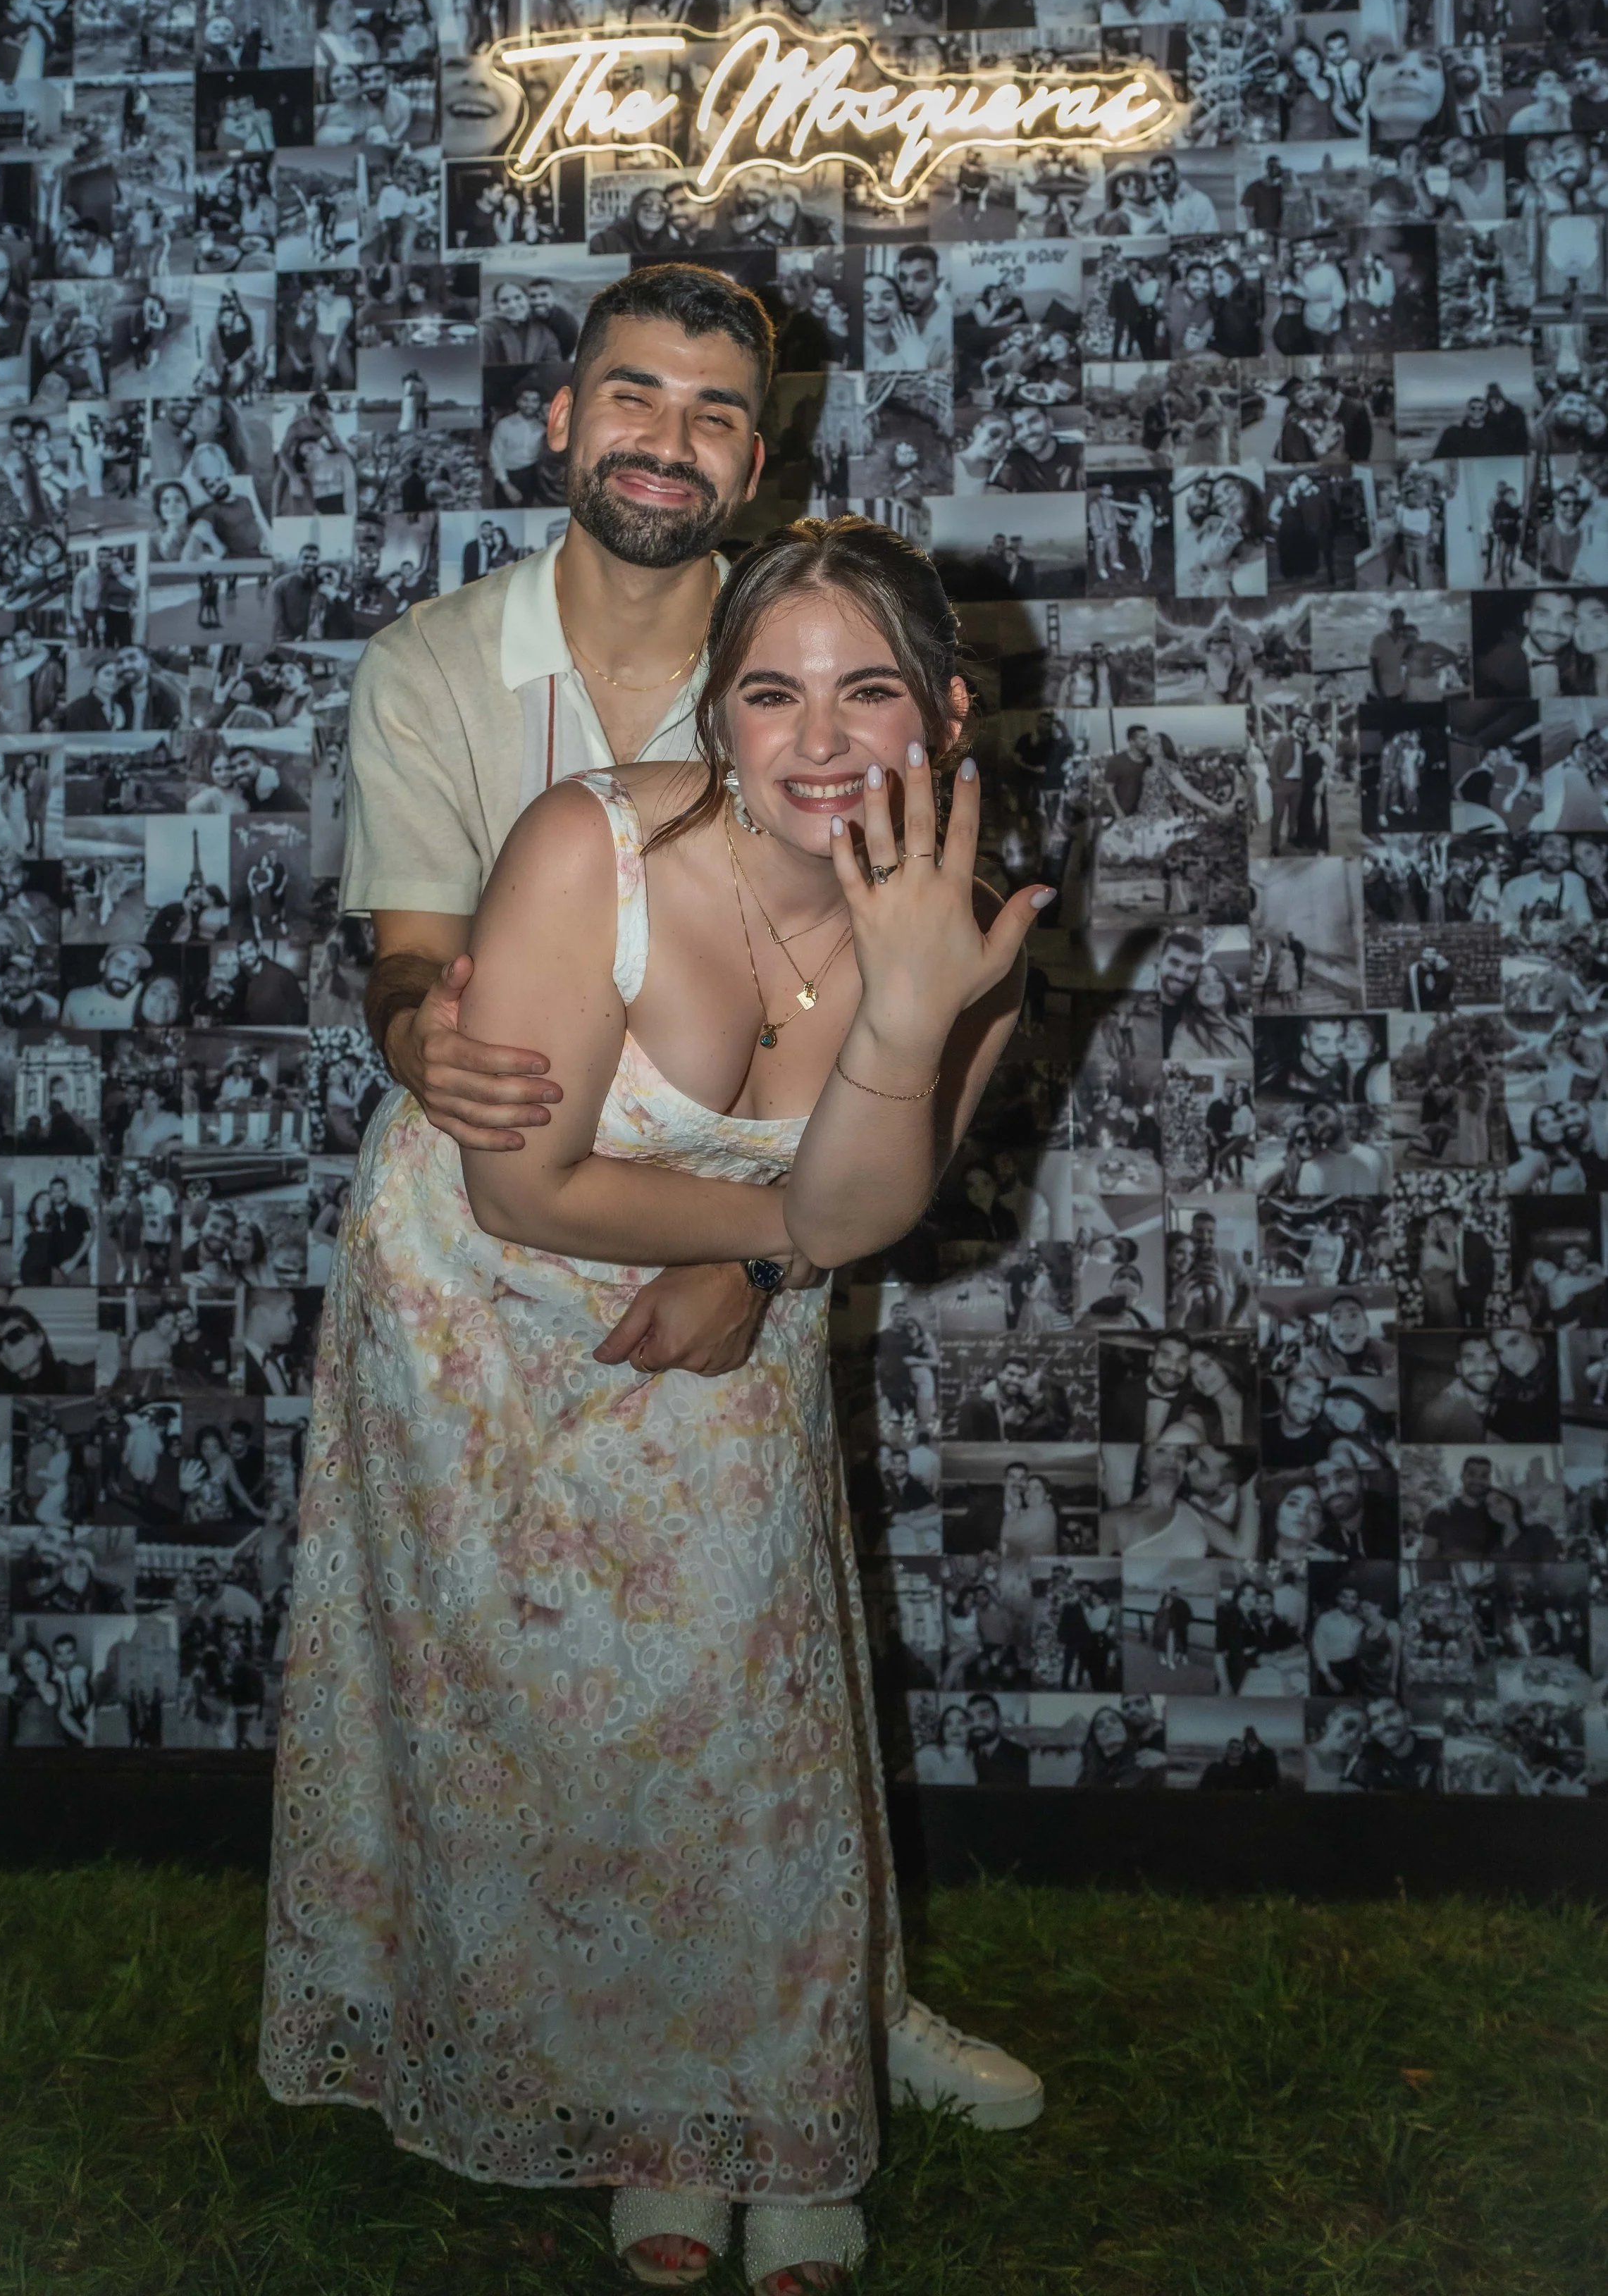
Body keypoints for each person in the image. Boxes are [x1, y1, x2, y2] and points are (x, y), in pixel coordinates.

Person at [263, 511, 1053, 2286]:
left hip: (714, 1298)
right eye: (768, 691)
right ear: (718, 714)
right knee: (539, 1695)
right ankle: (643, 2108)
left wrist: (898, 1038)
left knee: (734, 1688)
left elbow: (874, 1208)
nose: (820, 736)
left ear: (938, 710)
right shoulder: (585, 846)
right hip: (477, 1310)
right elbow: (525, 1189)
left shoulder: (966, 922)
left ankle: (784, 2083)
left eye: (867, 691)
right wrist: (780, 1242)